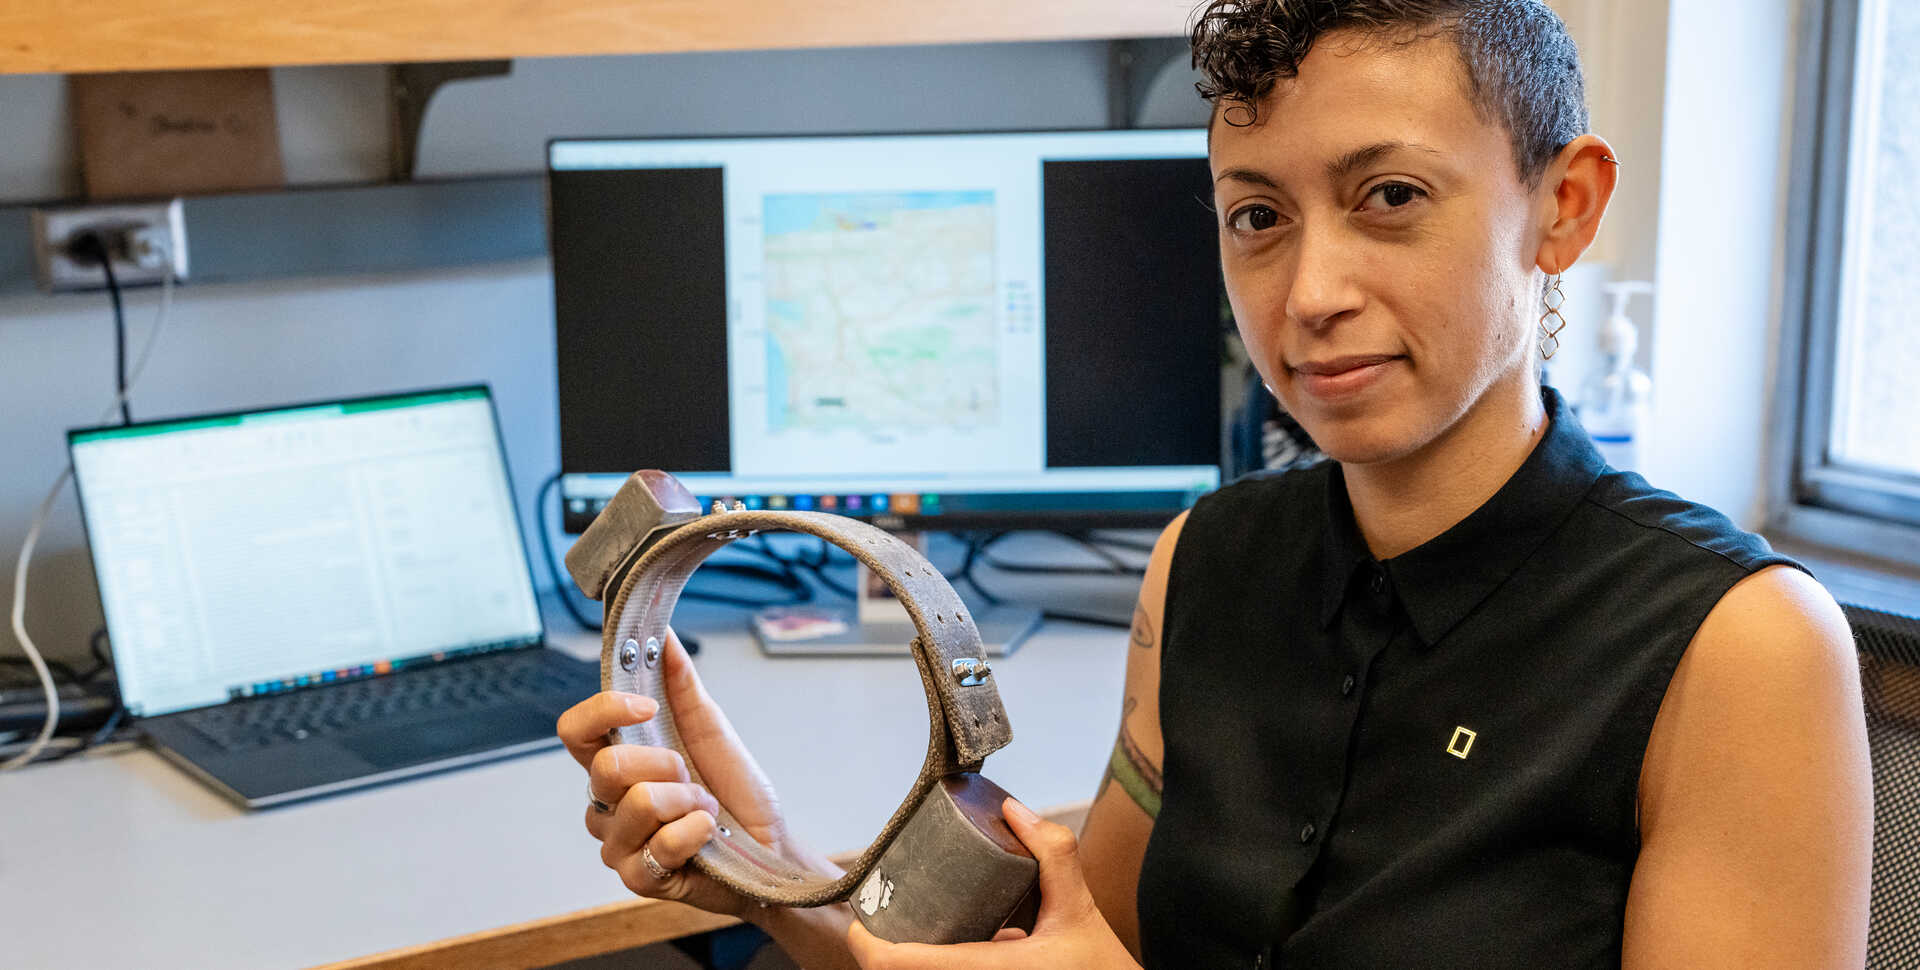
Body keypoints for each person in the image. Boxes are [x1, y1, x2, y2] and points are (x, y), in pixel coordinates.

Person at [556, 1, 1874, 966]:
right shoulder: (1206, 562)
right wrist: (770, 865)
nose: (1309, 295)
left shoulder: (1740, 650)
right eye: (1258, 215)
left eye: (1393, 195)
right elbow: (1077, 950)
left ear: (1565, 207)